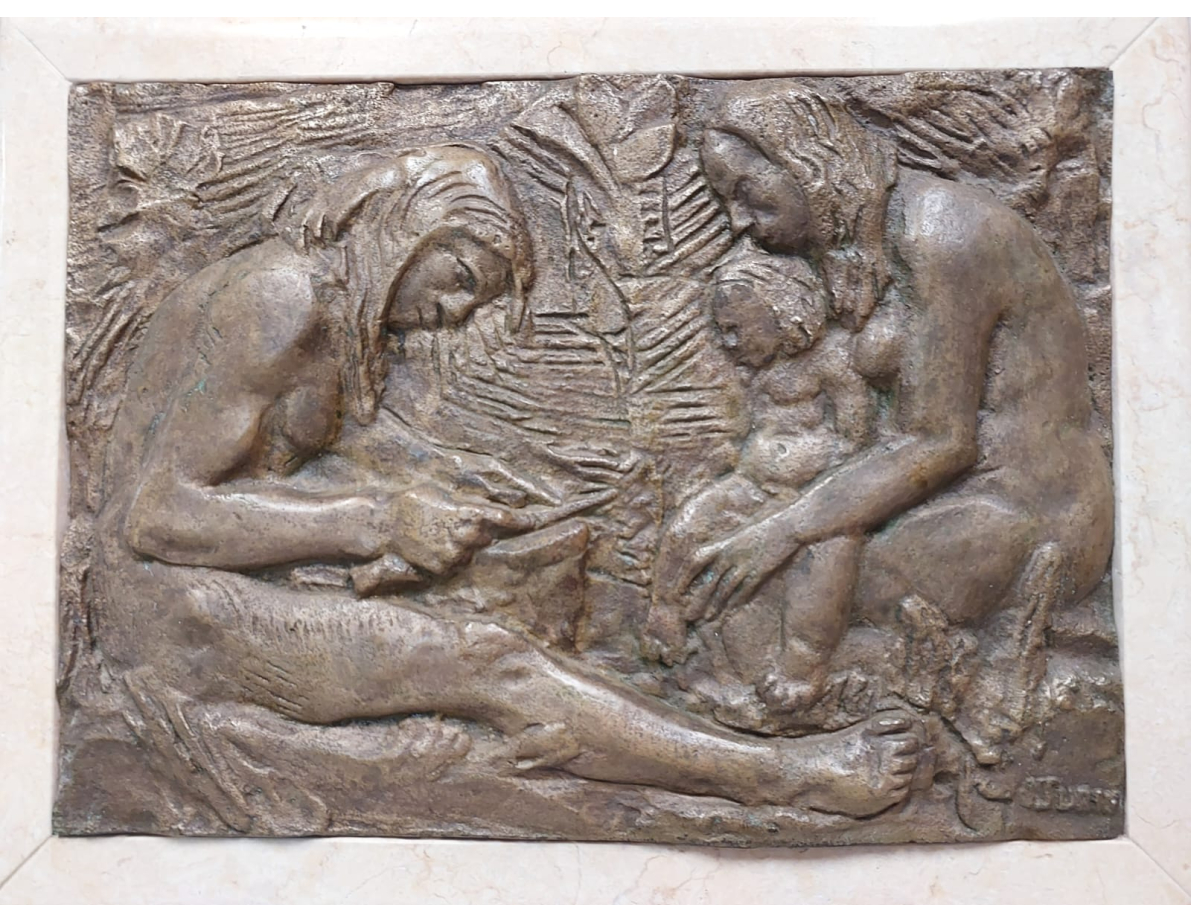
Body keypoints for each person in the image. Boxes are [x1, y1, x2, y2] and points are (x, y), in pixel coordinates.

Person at [90, 143, 922, 818]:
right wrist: (378, 522)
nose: (456, 312)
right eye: (460, 279)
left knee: (528, 605)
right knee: (491, 659)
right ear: (413, 232)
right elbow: (158, 517)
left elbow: (290, 460)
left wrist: (470, 482)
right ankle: (785, 780)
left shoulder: (324, 301)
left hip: (222, 584)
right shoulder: (279, 297)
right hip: (176, 612)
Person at [678, 84, 1113, 743]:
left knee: (765, 589)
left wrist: (784, 529)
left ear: (807, 164)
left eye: (746, 192)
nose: (739, 220)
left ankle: (872, 698)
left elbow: (939, 443)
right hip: (942, 500)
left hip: (1023, 513)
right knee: (719, 558)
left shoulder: (943, 235)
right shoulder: (872, 238)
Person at [647, 246, 870, 714]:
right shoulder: (761, 371)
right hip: (750, 487)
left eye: (736, 329)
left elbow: (857, 437)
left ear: (782, 313)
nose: (727, 342)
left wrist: (817, 472)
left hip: (809, 497)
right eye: (722, 329)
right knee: (688, 525)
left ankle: (802, 664)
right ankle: (664, 610)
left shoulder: (831, 362)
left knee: (821, 561)